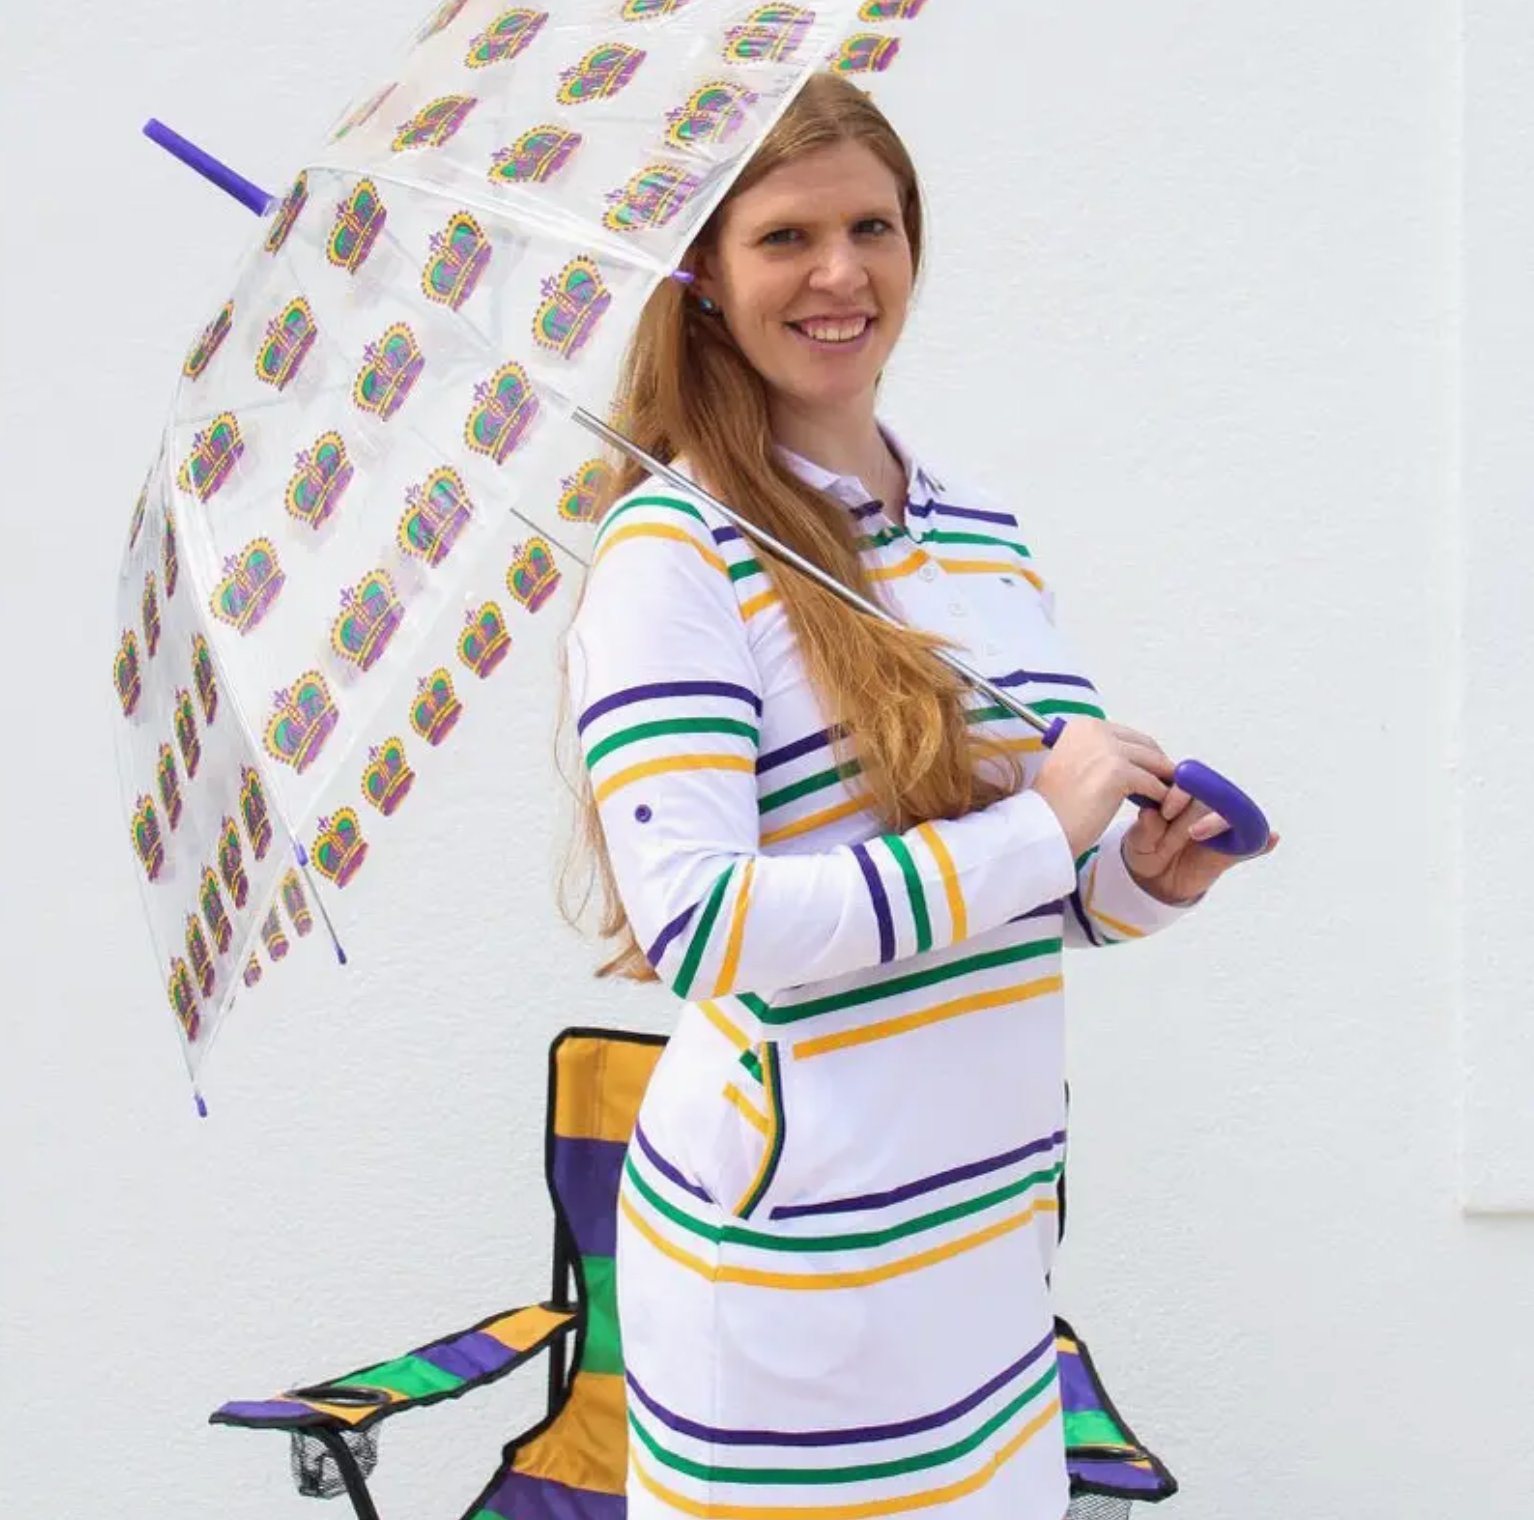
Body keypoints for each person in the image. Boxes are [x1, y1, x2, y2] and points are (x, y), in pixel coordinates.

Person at [560, 71, 1278, 1520]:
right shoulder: (673, 554)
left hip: (984, 1255)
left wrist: (1134, 884)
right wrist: (1040, 826)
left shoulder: (979, 532)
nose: (840, 273)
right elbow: (701, 926)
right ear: (703, 276)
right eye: (785, 237)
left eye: (872, 228)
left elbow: (1009, 904)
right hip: (790, 1289)